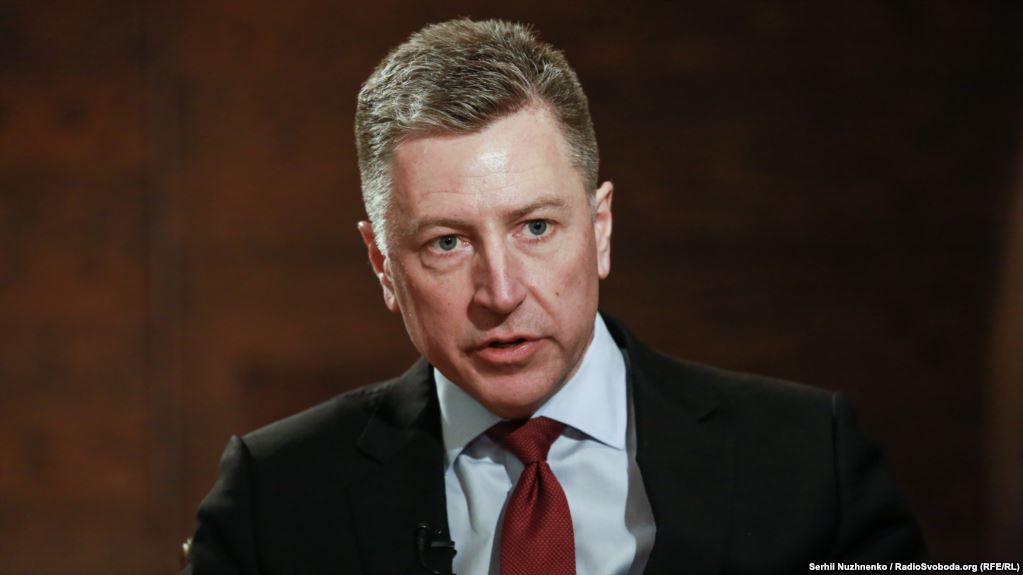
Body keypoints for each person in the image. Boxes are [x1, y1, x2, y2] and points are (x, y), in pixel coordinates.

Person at [183, 18, 927, 574]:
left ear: (599, 229)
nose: (501, 292)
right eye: (447, 242)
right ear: (382, 263)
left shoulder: (808, 460)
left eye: (535, 227)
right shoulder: (273, 499)